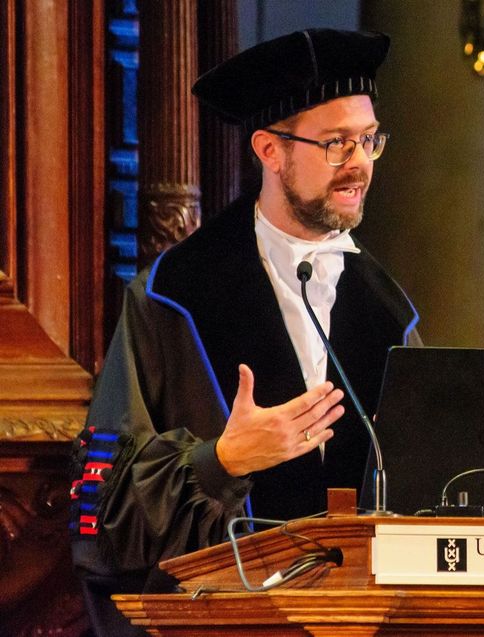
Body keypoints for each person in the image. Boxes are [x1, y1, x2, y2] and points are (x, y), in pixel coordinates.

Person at [68, 29, 420, 636]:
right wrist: (221, 460)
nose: (359, 162)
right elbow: (102, 512)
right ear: (270, 149)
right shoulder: (173, 295)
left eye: (368, 140)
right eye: (336, 143)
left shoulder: (390, 310)